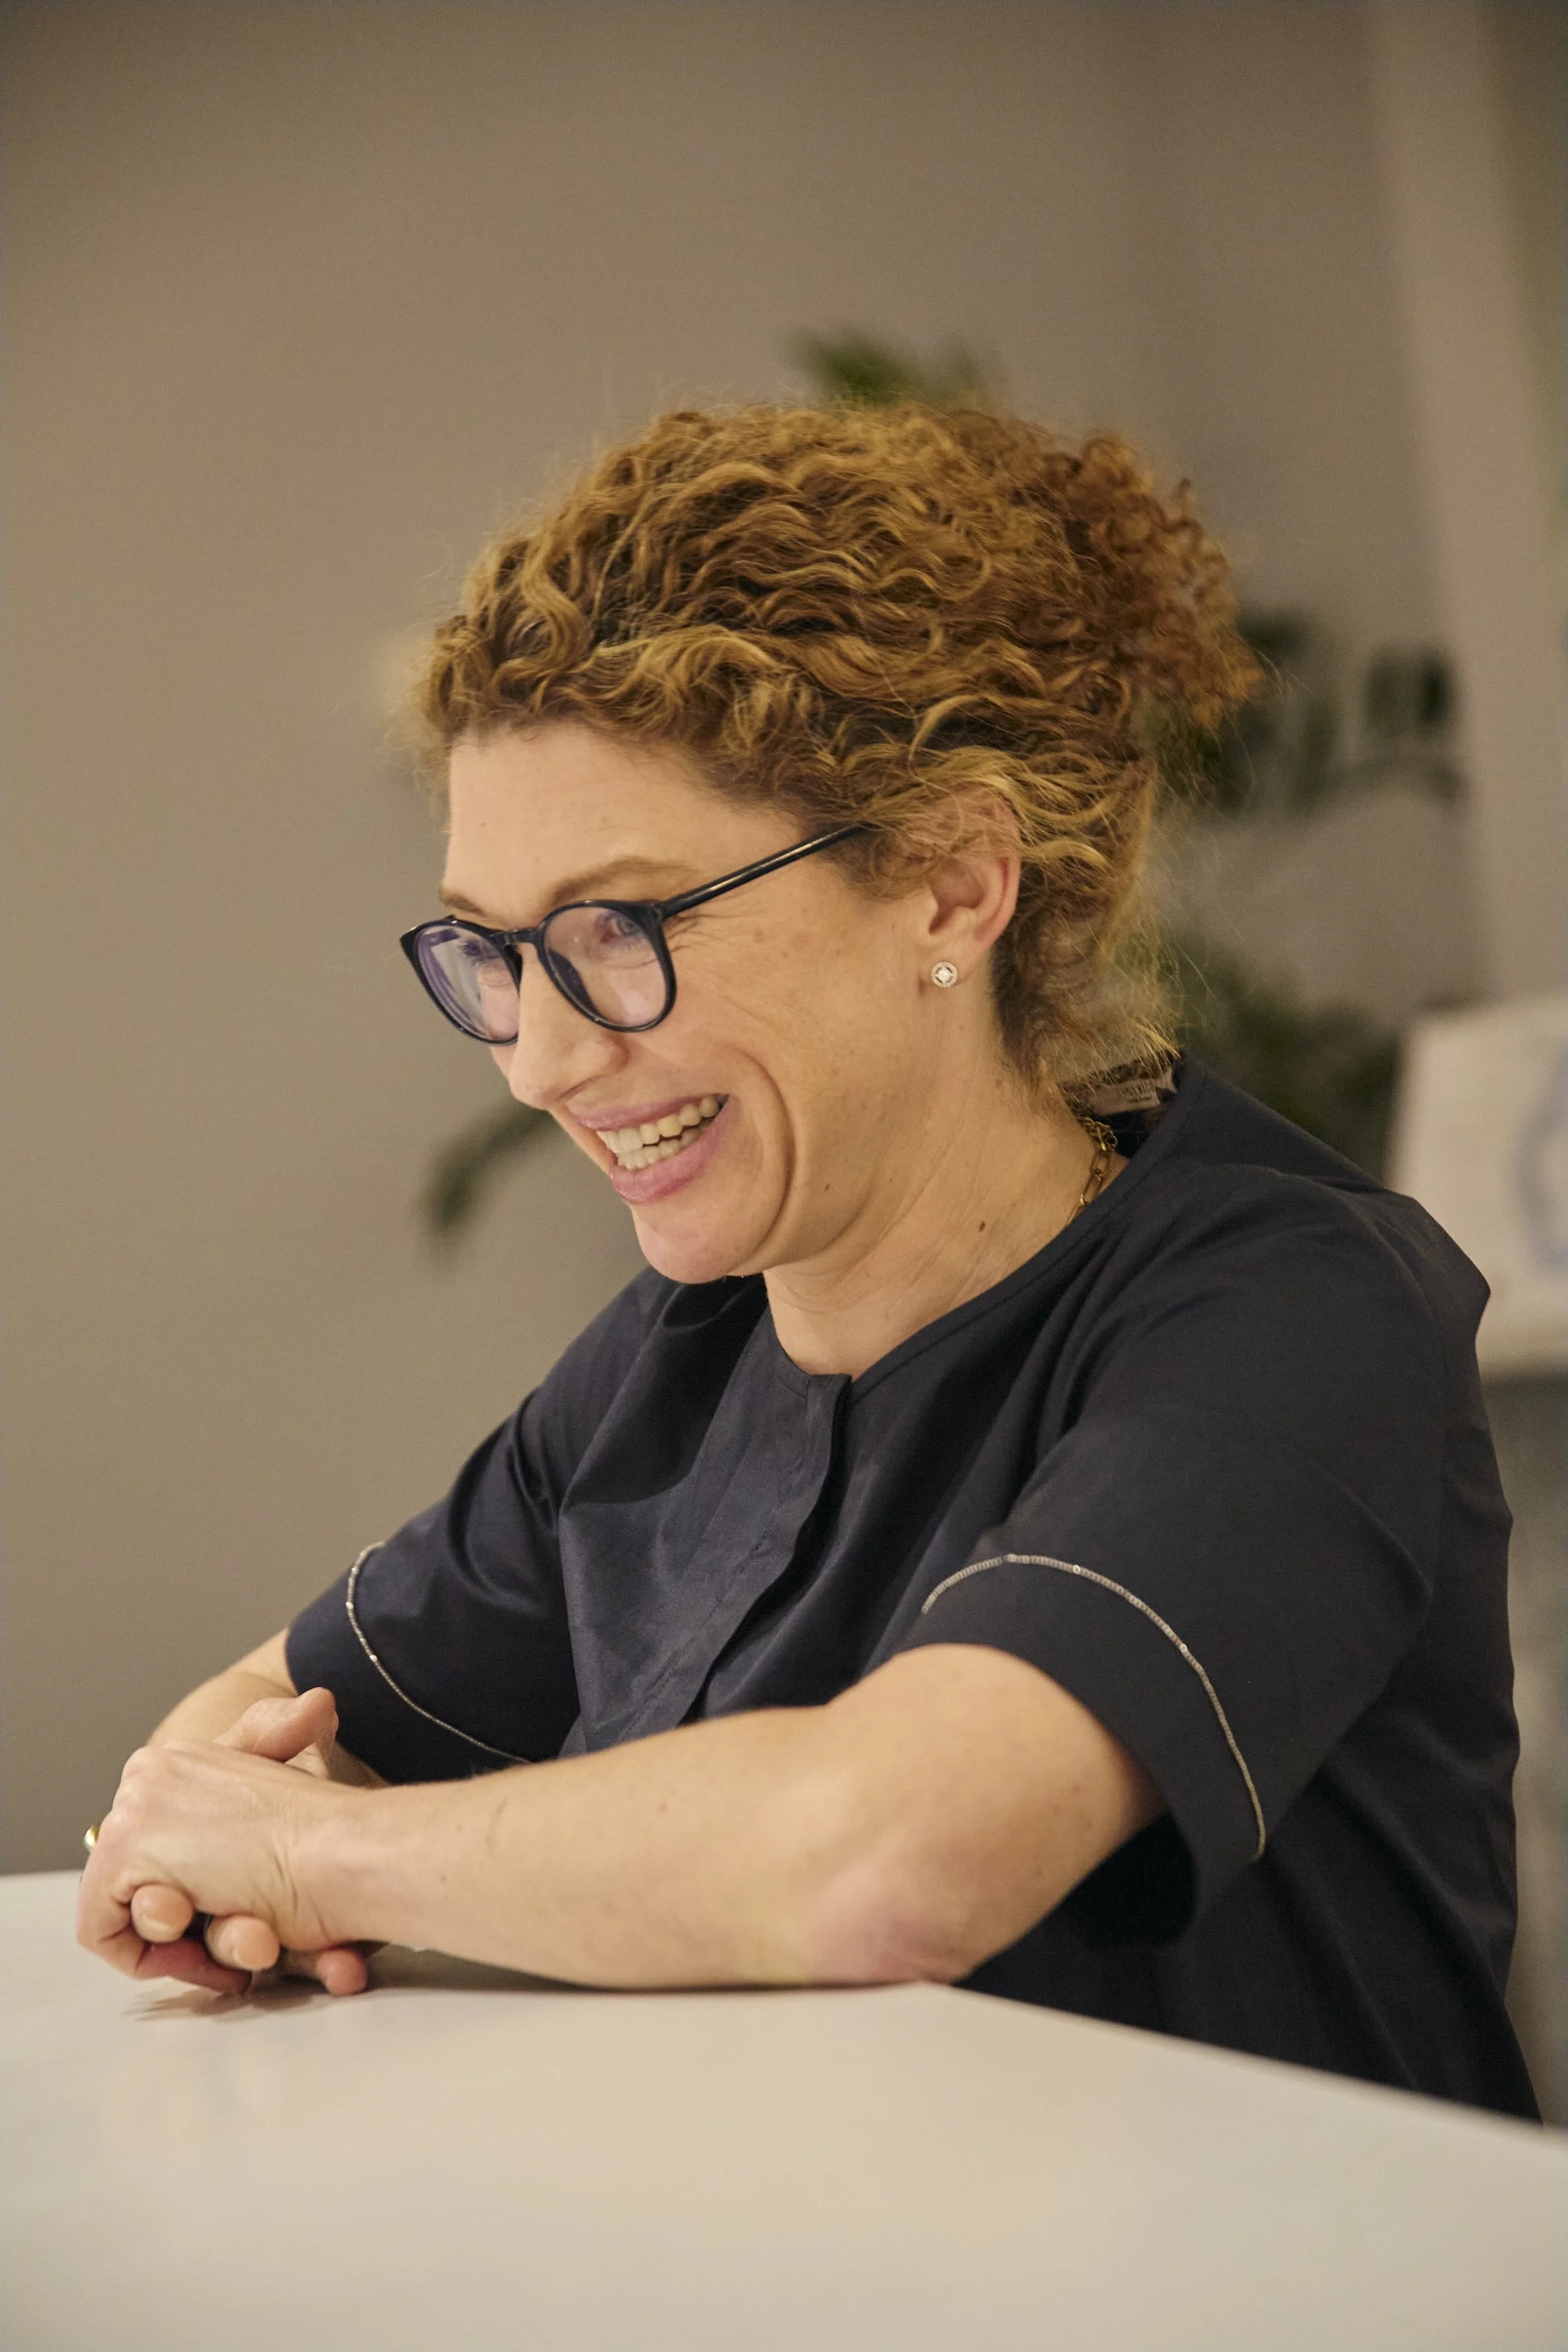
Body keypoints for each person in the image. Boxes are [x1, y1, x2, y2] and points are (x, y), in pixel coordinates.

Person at [78, 403, 1537, 2118]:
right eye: (493, 952)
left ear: (946, 885)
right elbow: (252, 1735)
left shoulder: (1291, 1313)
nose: (543, 1058)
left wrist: (323, 1861)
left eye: (618, 931)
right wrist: (247, 1832)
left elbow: (891, 1856)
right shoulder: (667, 1365)